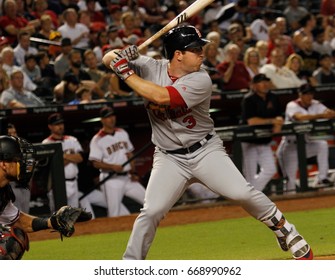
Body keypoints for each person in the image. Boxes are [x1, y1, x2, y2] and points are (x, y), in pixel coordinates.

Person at [102, 24, 313, 260]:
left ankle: (285, 229)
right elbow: (107, 57)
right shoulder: (151, 67)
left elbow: (161, 96)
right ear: (178, 55)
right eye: (195, 49)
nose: (202, 53)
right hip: (169, 157)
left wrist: (125, 71)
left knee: (241, 193)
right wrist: (121, 57)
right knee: (151, 211)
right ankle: (130, 265)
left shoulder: (201, 79)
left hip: (205, 151)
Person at [0, 135, 91, 260]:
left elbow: (18, 220)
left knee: (16, 237)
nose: (24, 163)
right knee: (6, 241)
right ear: (4, 164)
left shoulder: (3, 191)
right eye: (18, 159)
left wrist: (52, 222)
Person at [276, 83, 335, 192]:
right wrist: (321, 115)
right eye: (306, 94)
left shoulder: (315, 104)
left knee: (322, 144)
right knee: (290, 185)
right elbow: (300, 117)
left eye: (311, 93)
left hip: (306, 145)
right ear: (300, 95)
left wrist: (329, 113)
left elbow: (329, 113)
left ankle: (322, 177)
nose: (309, 96)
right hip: (289, 147)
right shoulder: (292, 105)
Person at [88, 106, 146, 217]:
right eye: (108, 117)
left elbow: (130, 155)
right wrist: (112, 167)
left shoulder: (122, 132)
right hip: (111, 179)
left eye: (112, 116)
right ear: (102, 120)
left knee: (149, 201)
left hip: (128, 178)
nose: (111, 119)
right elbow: (95, 163)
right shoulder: (97, 139)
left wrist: (133, 172)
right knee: (114, 213)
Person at [240, 73, 284, 193]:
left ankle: (251, 195)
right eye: (261, 82)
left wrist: (278, 123)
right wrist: (273, 121)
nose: (265, 84)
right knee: (250, 175)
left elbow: (279, 115)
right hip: (249, 141)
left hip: (264, 140)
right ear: (254, 85)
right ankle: (251, 197)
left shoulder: (273, 97)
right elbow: (252, 121)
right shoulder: (249, 99)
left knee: (270, 170)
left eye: (266, 81)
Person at [42, 113, 83, 211]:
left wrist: (62, 156)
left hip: (74, 182)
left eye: (61, 123)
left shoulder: (72, 139)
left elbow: (80, 158)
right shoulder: (46, 143)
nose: (60, 126)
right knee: (59, 217)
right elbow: (55, 166)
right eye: (57, 124)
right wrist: (71, 157)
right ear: (50, 127)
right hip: (57, 184)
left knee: (73, 216)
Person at [7, 122, 30, 213]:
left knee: (26, 215)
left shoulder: (24, 147)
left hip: (24, 187)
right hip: (12, 187)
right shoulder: (4, 150)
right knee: (14, 218)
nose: (13, 135)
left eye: (14, 132)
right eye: (10, 134)